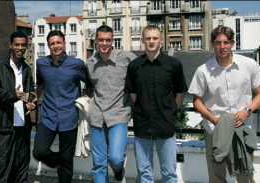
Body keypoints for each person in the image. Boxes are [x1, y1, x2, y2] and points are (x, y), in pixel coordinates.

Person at [188, 26, 260, 183]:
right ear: (212, 44)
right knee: (216, 175)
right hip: (215, 129)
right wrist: (213, 119)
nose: (222, 47)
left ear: (233, 43)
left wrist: (247, 111)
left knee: (245, 173)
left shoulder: (248, 64)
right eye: (218, 43)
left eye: (226, 42)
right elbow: (197, 101)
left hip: (243, 127)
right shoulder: (203, 70)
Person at [125, 25, 188, 183]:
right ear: (142, 40)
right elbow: (133, 94)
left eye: (155, 38)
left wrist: (171, 112)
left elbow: (180, 93)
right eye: (148, 38)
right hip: (142, 125)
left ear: (161, 40)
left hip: (165, 125)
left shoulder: (174, 65)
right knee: (144, 172)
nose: (151, 41)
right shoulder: (134, 66)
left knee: (169, 172)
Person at [32, 30, 93, 183]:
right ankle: (58, 161)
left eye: (59, 42)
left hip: (69, 116)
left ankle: (63, 163)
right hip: (48, 116)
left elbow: (89, 83)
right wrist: (35, 98)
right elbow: (40, 83)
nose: (56, 46)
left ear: (64, 44)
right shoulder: (41, 63)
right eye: (52, 43)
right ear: (48, 45)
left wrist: (86, 99)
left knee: (68, 161)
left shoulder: (77, 64)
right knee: (39, 151)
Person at [86, 25, 137, 182]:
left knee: (115, 157)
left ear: (113, 41)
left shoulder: (128, 58)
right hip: (97, 116)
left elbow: (141, 76)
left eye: (108, 40)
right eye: (101, 40)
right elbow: (89, 87)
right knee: (98, 164)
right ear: (96, 41)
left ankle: (118, 168)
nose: (104, 43)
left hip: (119, 114)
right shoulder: (90, 62)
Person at [0, 31, 35, 183]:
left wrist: (31, 101)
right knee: (3, 169)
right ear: (10, 45)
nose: (20, 48)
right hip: (4, 126)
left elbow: (29, 92)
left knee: (21, 169)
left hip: (23, 126)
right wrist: (12, 95)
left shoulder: (27, 68)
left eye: (23, 45)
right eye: (17, 44)